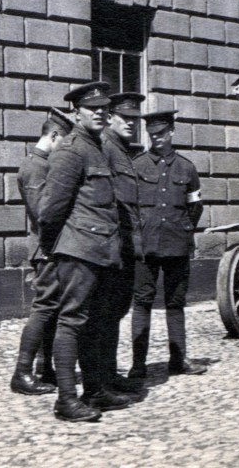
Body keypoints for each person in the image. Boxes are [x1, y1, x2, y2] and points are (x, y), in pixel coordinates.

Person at [38, 81, 131, 422]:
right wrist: (58, 248)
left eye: (105, 107)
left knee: (95, 322)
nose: (101, 112)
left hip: (103, 249)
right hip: (79, 250)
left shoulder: (99, 147)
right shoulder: (71, 150)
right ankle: (66, 398)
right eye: (93, 108)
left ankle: (95, 390)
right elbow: (50, 209)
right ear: (76, 112)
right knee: (72, 321)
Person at [129, 109, 207, 379]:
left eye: (161, 133)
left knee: (175, 303)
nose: (156, 138)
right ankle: (138, 364)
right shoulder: (137, 166)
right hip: (146, 246)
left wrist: (184, 229)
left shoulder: (187, 168)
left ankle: (179, 359)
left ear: (171, 132)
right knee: (142, 303)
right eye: (152, 135)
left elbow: (195, 206)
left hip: (177, 244)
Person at [10, 109, 73, 396]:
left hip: (51, 246)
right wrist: (54, 248)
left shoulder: (41, 164)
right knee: (44, 308)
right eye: (65, 141)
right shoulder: (35, 166)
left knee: (53, 309)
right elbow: (42, 214)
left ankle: (45, 368)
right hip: (46, 248)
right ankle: (22, 372)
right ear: (54, 136)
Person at [99, 92, 146, 393]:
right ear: (110, 117)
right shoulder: (105, 148)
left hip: (126, 247)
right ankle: (101, 378)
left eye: (134, 119)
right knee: (104, 313)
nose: (131, 123)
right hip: (112, 248)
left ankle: (108, 373)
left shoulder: (122, 150)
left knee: (115, 311)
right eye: (125, 118)